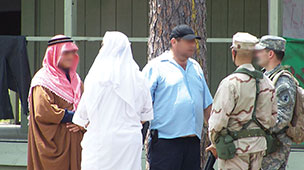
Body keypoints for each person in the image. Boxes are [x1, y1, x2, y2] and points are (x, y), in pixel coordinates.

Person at [72, 31, 153, 170]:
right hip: (129, 143)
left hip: (100, 142)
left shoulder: (95, 78)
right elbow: (145, 116)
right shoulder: (139, 79)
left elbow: (82, 117)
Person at [142, 24, 213, 170]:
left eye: (194, 41)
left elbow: (207, 106)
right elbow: (142, 104)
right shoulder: (156, 67)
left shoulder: (196, 67)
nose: (192, 45)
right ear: (174, 42)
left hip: (192, 144)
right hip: (165, 144)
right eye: (188, 41)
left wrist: (215, 137)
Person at [207, 32, 277, 170]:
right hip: (259, 147)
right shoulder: (267, 83)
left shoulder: (230, 83)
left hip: (234, 149)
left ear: (234, 53)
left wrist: (215, 142)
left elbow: (217, 122)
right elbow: (273, 119)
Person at [27, 35, 84, 170]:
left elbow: (88, 107)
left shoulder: (76, 80)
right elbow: (43, 111)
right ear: (54, 54)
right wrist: (74, 116)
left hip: (76, 147)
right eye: (66, 53)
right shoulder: (42, 81)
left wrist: (81, 123)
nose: (71, 56)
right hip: (53, 148)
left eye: (73, 52)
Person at [255, 35, 296, 170]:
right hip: (263, 145)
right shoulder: (265, 77)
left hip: (274, 149)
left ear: (270, 53)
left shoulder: (283, 82)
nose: (257, 54)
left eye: (260, 51)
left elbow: (283, 119)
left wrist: (257, 128)